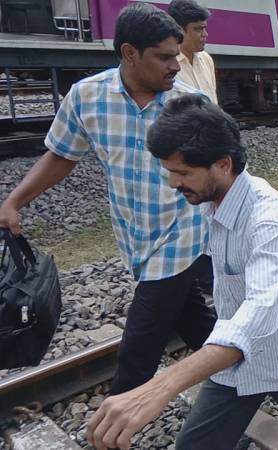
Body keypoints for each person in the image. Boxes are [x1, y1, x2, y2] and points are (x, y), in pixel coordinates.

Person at [86, 95, 278, 450]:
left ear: (223, 164)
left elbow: (258, 314)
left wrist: (160, 386)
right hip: (238, 357)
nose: (173, 184)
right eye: (170, 172)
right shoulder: (216, 201)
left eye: (182, 173)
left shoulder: (270, 220)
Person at [0, 3, 217, 396]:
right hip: (134, 238)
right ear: (129, 54)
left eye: (176, 56)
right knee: (195, 319)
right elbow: (62, 155)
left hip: (181, 236)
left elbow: (225, 172)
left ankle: (117, 420)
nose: (175, 65)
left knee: (140, 344)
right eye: (165, 57)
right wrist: (13, 201)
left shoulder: (190, 105)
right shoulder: (87, 97)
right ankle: (245, 369)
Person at [169, 0, 217, 104]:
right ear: (179, 30)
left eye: (205, 28)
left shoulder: (206, 59)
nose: (205, 34)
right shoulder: (167, 65)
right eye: (198, 29)